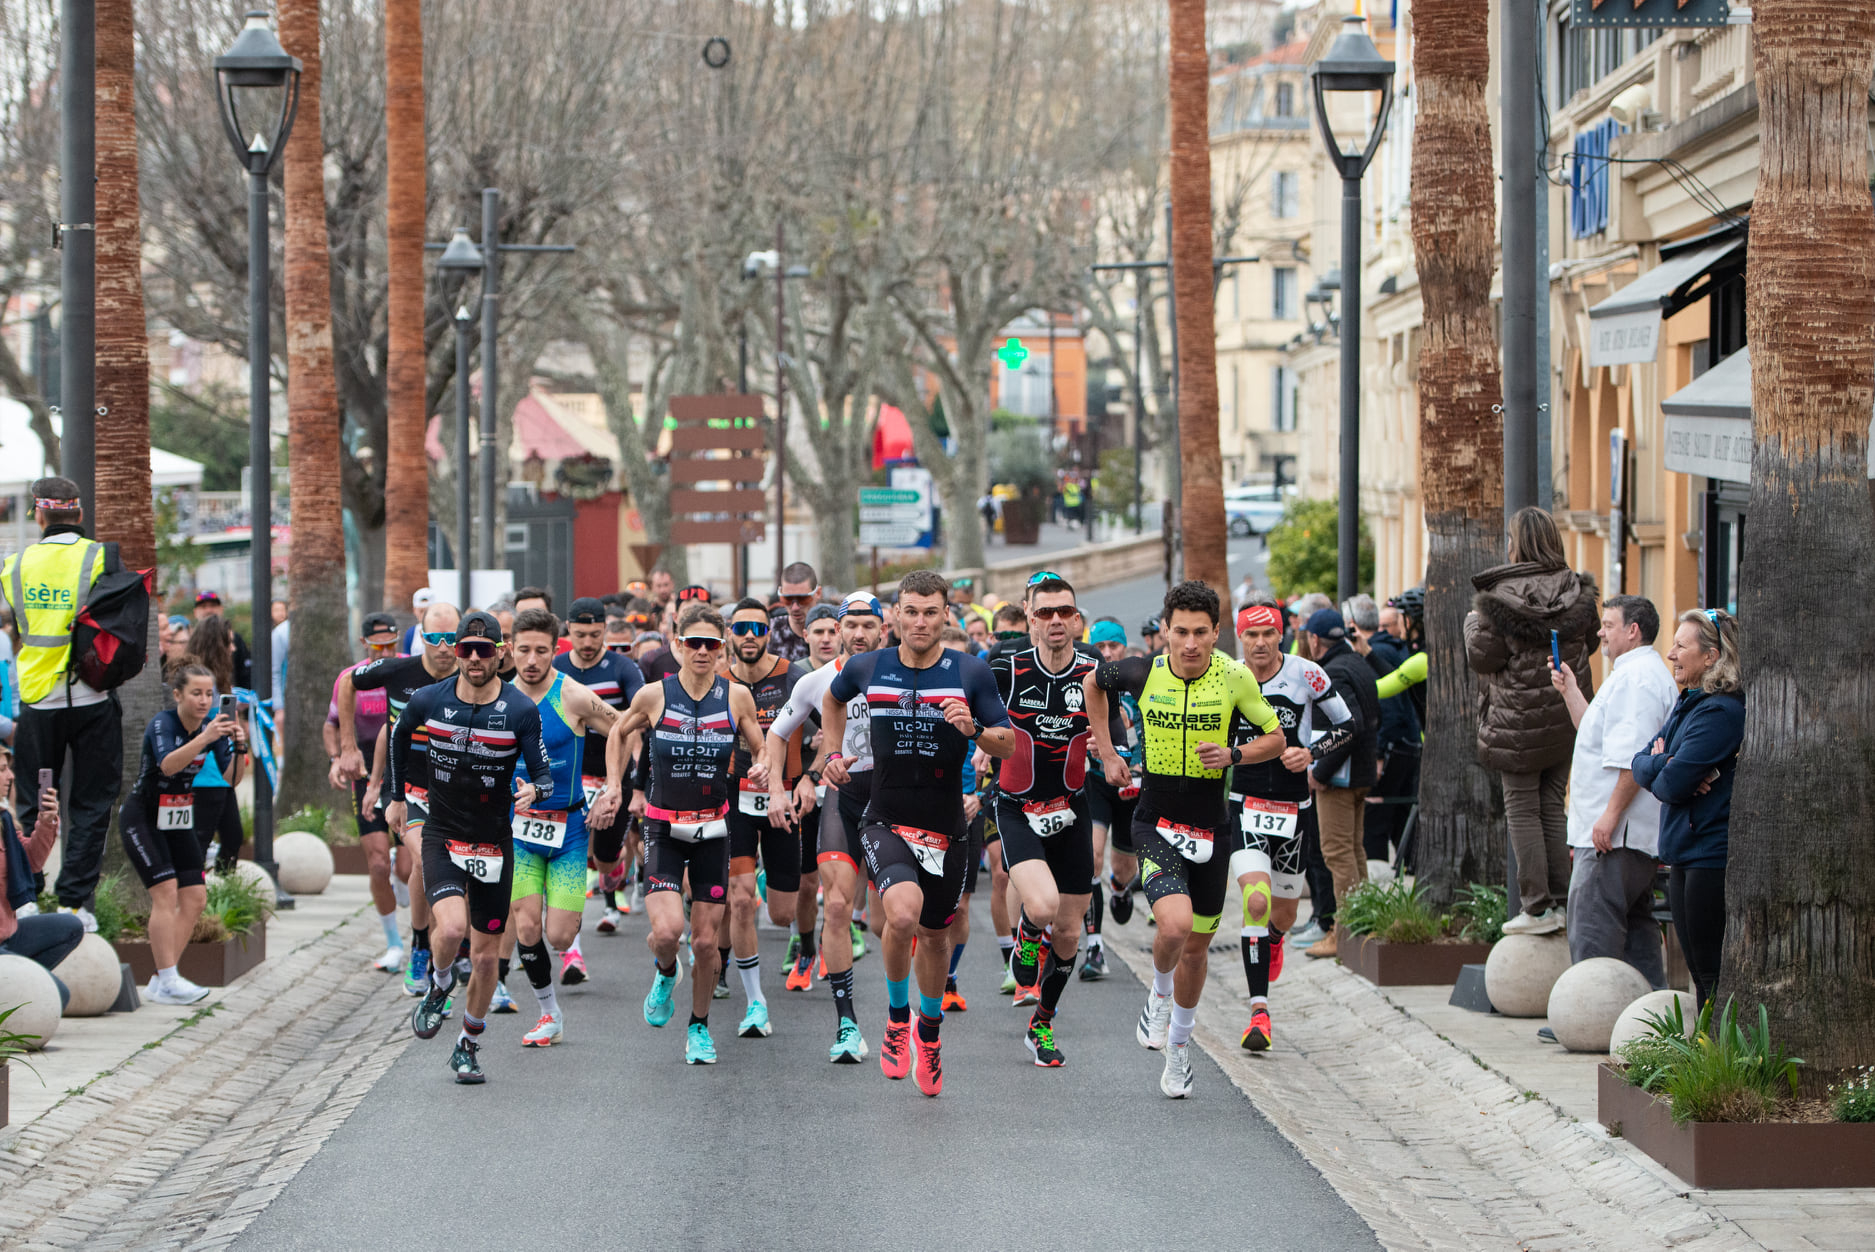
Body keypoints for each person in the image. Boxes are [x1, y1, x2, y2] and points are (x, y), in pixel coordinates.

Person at [1084, 580, 1284, 1099]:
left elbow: (1277, 738)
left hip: (1211, 827)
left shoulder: (1235, 677)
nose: (1190, 644)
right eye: (1180, 632)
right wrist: (1108, 752)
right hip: (1155, 820)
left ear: (1217, 633)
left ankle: (1179, 1051)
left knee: (1196, 949)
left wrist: (1235, 756)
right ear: (1165, 632)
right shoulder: (1141, 671)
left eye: (1201, 633)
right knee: (1172, 925)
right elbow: (1092, 685)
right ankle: (1158, 994)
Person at [820, 569, 1015, 1096]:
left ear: (946, 615)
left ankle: (929, 1035)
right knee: (900, 914)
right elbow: (832, 701)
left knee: (934, 936)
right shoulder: (867, 666)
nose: (921, 621)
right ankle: (896, 1019)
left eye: (931, 612)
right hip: (884, 818)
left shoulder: (970, 672)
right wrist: (834, 753)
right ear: (895, 616)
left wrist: (974, 730)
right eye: (911, 611)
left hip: (946, 828)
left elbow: (1008, 743)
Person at [394, 611, 554, 1084]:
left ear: (499, 653)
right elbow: (399, 738)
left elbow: (542, 773)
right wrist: (394, 797)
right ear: (457, 653)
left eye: (485, 650)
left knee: (485, 959)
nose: (474, 658)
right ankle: (440, 984)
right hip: (442, 834)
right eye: (466, 649)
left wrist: (534, 792)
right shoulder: (429, 699)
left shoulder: (520, 710)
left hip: (493, 843)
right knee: (449, 930)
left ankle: (468, 1044)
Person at [609, 602, 770, 1065]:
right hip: (662, 825)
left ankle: (698, 1028)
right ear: (677, 645)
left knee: (703, 942)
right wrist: (616, 789)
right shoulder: (654, 695)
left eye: (712, 644)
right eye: (693, 643)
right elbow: (619, 733)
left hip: (714, 828)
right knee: (667, 932)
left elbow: (761, 748)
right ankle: (664, 971)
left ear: (722, 650)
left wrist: (763, 771)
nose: (702, 651)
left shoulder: (736, 697)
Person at [1466, 506, 1598, 935]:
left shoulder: (1501, 596)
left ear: (1517, 543)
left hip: (1516, 722)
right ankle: (1560, 899)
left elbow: (1483, 656)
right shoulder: (1576, 590)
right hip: (1565, 714)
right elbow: (1591, 640)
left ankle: (1537, 908)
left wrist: (1472, 624)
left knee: (1522, 808)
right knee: (1552, 808)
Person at [766, 591, 885, 1063]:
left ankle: (905, 1014)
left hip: (895, 802)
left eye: (867, 625)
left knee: (887, 922)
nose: (858, 633)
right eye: (849, 625)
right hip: (845, 797)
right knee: (835, 906)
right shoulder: (816, 681)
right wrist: (778, 788)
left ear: (883, 629)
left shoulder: (904, 675)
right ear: (836, 631)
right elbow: (778, 734)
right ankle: (847, 1024)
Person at [0, 478, 124, 931]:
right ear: (78, 512)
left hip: (38, 701)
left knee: (32, 800)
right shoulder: (99, 557)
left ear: (39, 512)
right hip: (92, 695)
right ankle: (74, 904)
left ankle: (26, 899)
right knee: (91, 802)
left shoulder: (14, 566)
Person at [1230, 598, 1355, 1044]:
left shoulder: (1306, 673)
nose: (1260, 643)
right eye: (1251, 635)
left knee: (1280, 913)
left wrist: (1312, 752)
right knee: (1256, 901)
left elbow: (1347, 724)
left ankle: (1276, 939)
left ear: (1281, 634)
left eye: (1268, 634)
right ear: (1240, 638)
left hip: (1293, 809)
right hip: (1243, 803)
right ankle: (1258, 1013)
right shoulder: (1226, 676)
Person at [986, 575, 1096, 1067]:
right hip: (1017, 805)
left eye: (1064, 612)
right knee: (1045, 904)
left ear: (1075, 618)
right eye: (1044, 612)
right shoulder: (1005, 669)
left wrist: (1110, 752)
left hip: (1072, 806)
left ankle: (1042, 1024)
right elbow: (975, 717)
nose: (1055, 621)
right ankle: (1027, 939)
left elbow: (1121, 724)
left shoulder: (1095, 672)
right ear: (1029, 618)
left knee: (1071, 934)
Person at [507, 609, 623, 1047]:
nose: (532, 660)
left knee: (559, 933)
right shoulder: (500, 698)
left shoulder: (572, 695)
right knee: (526, 926)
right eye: (523, 650)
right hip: (519, 831)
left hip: (569, 831)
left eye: (541, 650)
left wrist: (614, 786)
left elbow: (622, 728)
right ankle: (548, 1012)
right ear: (510, 651)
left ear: (556, 648)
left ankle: (566, 946)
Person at [1550, 594, 1676, 987]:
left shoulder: (1636, 679)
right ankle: (1649, 1017)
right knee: (1637, 928)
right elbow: (1598, 735)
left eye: (1608, 624)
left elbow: (1631, 760)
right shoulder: (1633, 674)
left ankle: (1588, 1013)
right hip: (1623, 833)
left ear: (1633, 630)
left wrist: (1609, 817)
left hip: (1613, 835)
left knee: (1592, 924)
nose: (1601, 632)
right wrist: (1571, 690)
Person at [338, 602, 461, 996]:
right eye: (434, 638)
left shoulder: (472, 674)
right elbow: (346, 683)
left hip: (457, 790)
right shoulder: (397, 670)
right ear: (420, 638)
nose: (443, 647)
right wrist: (346, 747)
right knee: (426, 859)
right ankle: (421, 945)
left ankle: (456, 942)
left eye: (451, 638)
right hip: (407, 789)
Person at [1631, 609, 1743, 1012]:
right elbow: (1640, 763)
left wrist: (1668, 766)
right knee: (1696, 969)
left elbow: (1671, 785)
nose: (1671, 654)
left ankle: (1715, 1055)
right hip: (1683, 850)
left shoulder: (1720, 712)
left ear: (1711, 656)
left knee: (1709, 971)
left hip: (1708, 854)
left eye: (1681, 646)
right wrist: (1667, 762)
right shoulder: (1689, 704)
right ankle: (1706, 1052)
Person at [121, 664, 246, 1005]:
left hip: (177, 816)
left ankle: (163, 979)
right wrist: (206, 738)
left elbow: (231, 780)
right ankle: (171, 979)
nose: (204, 701)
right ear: (178, 695)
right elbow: (168, 765)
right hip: (143, 816)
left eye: (209, 694)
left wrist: (239, 747)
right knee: (165, 891)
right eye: (196, 693)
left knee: (195, 898)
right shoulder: (164, 723)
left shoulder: (214, 729)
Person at [721, 598, 811, 1039]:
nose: (750, 637)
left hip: (784, 798)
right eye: (742, 630)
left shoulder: (792, 676)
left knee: (780, 914)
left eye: (758, 629)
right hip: (734, 799)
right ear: (730, 635)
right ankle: (756, 1001)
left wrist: (810, 775)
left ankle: (758, 883)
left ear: (769, 634)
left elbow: (825, 728)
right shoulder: (718, 680)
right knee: (739, 901)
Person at [554, 597, 644, 936]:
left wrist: (618, 778)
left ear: (605, 630)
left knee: (606, 858)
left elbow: (637, 716)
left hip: (613, 772)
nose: (589, 643)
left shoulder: (622, 668)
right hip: (571, 771)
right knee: (572, 852)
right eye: (580, 635)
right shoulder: (557, 666)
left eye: (595, 634)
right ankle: (569, 932)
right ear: (569, 631)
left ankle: (613, 867)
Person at [1292, 609, 1377, 961]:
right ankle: (1363, 925)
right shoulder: (1357, 663)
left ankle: (1345, 934)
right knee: (1354, 852)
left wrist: (1318, 770)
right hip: (1359, 775)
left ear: (1314, 640)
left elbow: (1350, 725)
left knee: (1338, 854)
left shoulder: (1335, 673)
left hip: (1340, 779)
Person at [324, 611, 405, 972]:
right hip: (364, 774)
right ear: (364, 645)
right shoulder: (350, 678)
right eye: (378, 646)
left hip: (404, 771)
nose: (385, 651)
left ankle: (403, 880)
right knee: (375, 864)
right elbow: (331, 726)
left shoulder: (410, 669)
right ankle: (393, 945)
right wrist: (336, 757)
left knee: (406, 868)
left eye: (391, 643)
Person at [1347, 594, 1421, 867]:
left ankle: (1378, 889)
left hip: (1392, 749)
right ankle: (1414, 873)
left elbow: (1387, 706)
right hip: (1407, 746)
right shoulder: (1397, 649)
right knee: (1401, 819)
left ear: (1352, 625)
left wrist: (1378, 755)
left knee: (1376, 820)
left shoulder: (1381, 653)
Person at [1085, 618, 1141, 959]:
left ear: (1124, 646)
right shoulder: (1088, 683)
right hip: (1095, 781)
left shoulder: (1139, 680)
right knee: (1091, 858)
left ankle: (1120, 889)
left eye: (1113, 646)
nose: (1107, 653)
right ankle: (1094, 945)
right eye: (1101, 647)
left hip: (1133, 784)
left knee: (1123, 868)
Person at [0, 748, 74, 1004]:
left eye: (8, 768)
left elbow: (31, 861)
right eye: (1, 770)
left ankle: (16, 986)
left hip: (8, 935)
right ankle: (16, 991)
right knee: (59, 998)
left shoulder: (3, 819)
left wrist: (46, 821)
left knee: (71, 928)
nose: (10, 775)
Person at [182, 615, 244, 874]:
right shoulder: (192, 683)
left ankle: (217, 893)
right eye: (228, 643)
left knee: (233, 837)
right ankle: (196, 898)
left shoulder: (221, 682)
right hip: (203, 776)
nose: (233, 649)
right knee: (200, 842)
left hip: (223, 771)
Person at [191, 591, 252, 689]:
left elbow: (245, 674)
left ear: (221, 609)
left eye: (213, 606)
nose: (209, 610)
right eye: (203, 607)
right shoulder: (188, 640)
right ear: (195, 612)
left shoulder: (236, 639)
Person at [768, 562, 821, 662]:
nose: (795, 607)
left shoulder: (836, 632)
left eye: (803, 599)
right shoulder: (769, 632)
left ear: (818, 593)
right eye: (787, 599)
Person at [803, 603, 842, 669]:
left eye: (833, 632)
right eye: (819, 632)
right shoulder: (793, 673)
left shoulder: (854, 671)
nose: (826, 639)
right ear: (806, 636)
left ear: (842, 635)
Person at [398, 588, 434, 656]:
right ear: (414, 611)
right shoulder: (411, 633)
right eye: (421, 611)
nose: (425, 615)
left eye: (427, 611)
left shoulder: (442, 631)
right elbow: (407, 657)